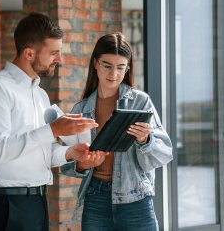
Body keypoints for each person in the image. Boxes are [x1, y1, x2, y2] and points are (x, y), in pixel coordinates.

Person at [0, 12, 103, 231]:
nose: (59, 59)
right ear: (29, 53)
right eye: (54, 53)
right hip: (8, 204)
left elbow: (44, 153)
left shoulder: (40, 95)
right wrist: (53, 129)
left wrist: (72, 154)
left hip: (37, 201)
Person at [61, 32, 173, 231]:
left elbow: (165, 153)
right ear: (95, 63)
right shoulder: (80, 110)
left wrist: (145, 140)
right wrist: (83, 164)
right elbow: (65, 163)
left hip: (136, 198)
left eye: (120, 67)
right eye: (107, 66)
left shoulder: (140, 102)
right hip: (96, 199)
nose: (113, 74)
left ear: (128, 67)